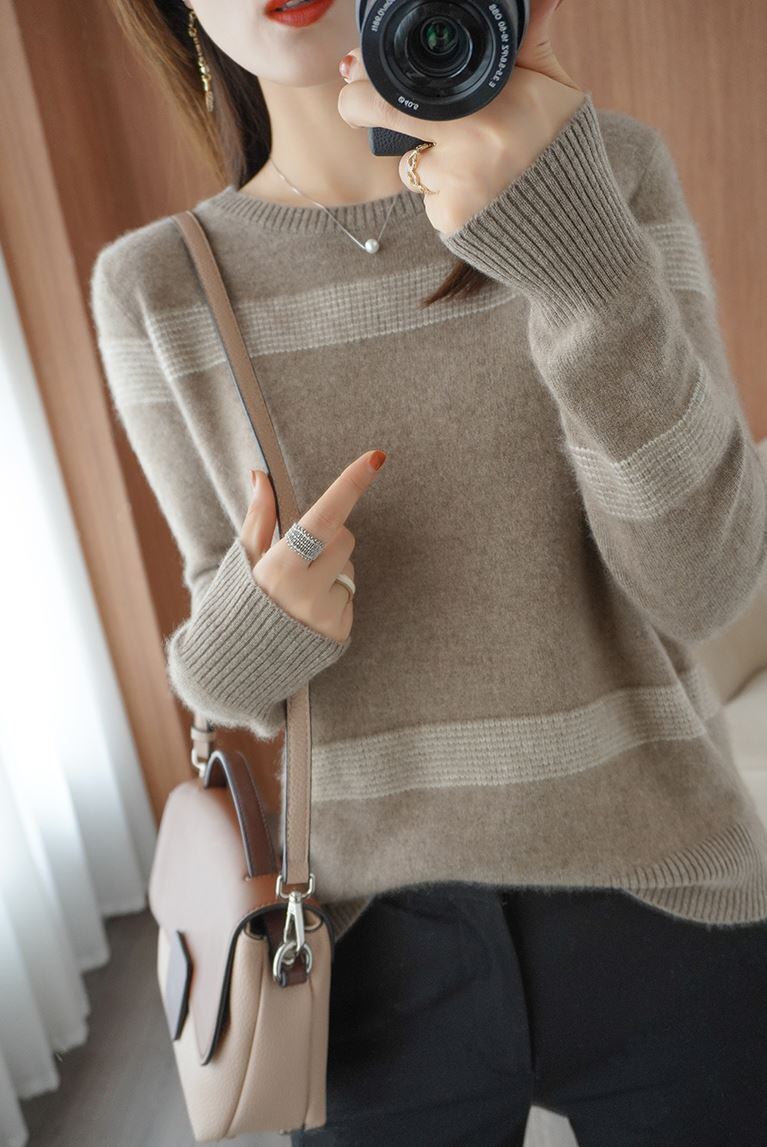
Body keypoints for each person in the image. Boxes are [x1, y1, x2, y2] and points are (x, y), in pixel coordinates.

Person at [91, 0, 767, 1141]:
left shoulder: (601, 176)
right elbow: (220, 674)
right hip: (369, 950)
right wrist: (267, 618)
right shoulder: (159, 285)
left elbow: (705, 582)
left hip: (663, 887)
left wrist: (580, 265)